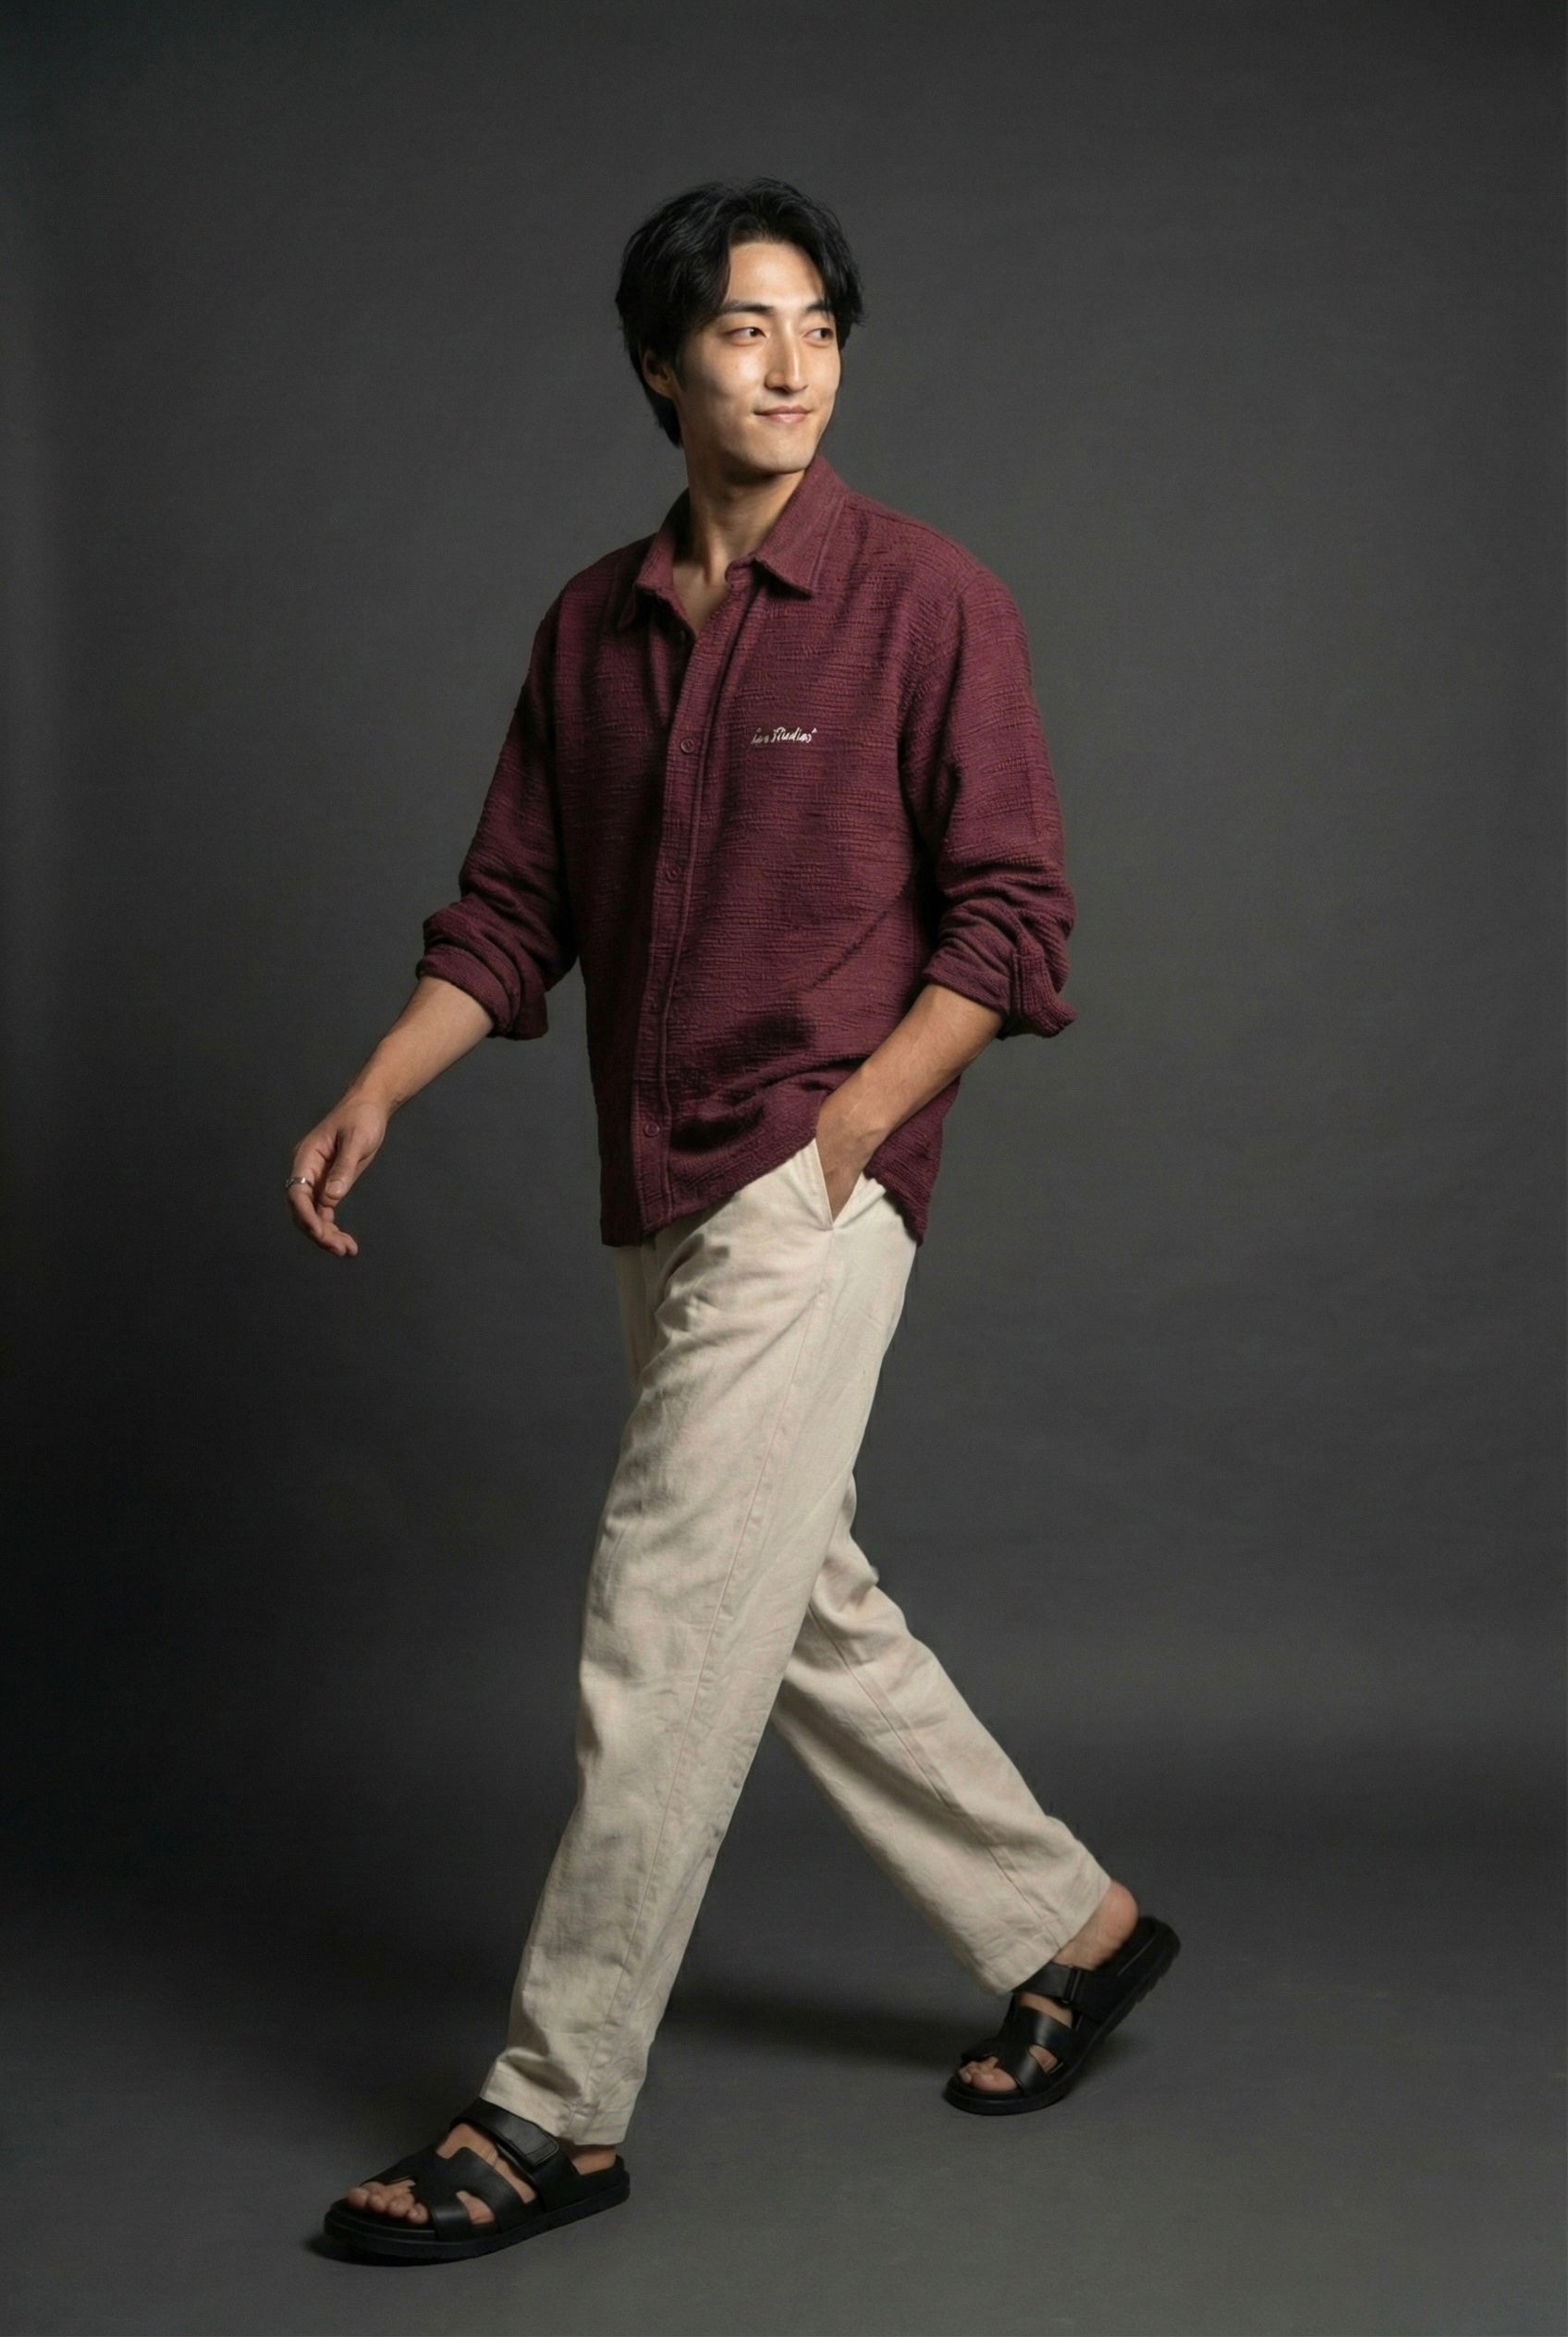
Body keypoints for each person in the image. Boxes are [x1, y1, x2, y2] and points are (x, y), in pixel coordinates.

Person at [292, 177, 1179, 2267]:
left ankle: (552, 2110)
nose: (789, 367)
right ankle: (1068, 1926)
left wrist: (852, 1128)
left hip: (809, 1176)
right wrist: (379, 1083)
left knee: (669, 1613)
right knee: (790, 1605)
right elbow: (513, 908)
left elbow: (1013, 919)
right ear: (659, 365)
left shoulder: (927, 601)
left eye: (818, 330)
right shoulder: (586, 632)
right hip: (651, 1180)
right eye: (744, 329)